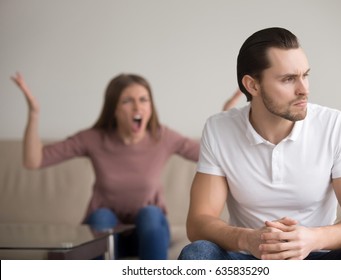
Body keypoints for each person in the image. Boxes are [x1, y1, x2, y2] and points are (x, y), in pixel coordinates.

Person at [178, 27, 341, 260]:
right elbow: (198, 222)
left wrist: (312, 238)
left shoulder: (334, 124)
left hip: (318, 256)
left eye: (305, 75)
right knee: (197, 253)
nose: (304, 90)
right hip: (251, 259)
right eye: (289, 79)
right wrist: (248, 239)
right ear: (252, 85)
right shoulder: (219, 129)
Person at [11, 72, 242, 260]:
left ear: (151, 107)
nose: (137, 108)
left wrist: (223, 121)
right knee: (101, 216)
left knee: (151, 214)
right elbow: (34, 161)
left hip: (150, 233)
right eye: (127, 101)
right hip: (107, 234)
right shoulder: (93, 138)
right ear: (114, 109)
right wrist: (34, 114)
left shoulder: (162, 137)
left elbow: (214, 155)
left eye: (143, 100)